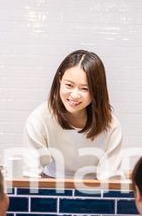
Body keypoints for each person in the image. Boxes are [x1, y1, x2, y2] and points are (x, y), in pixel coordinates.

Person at [24, 49, 124, 180]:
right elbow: (30, 174)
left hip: (93, 190)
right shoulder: (39, 118)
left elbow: (111, 180)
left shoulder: (111, 125)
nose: (75, 95)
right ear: (60, 79)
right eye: (69, 85)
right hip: (51, 188)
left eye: (84, 88)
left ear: (97, 90)